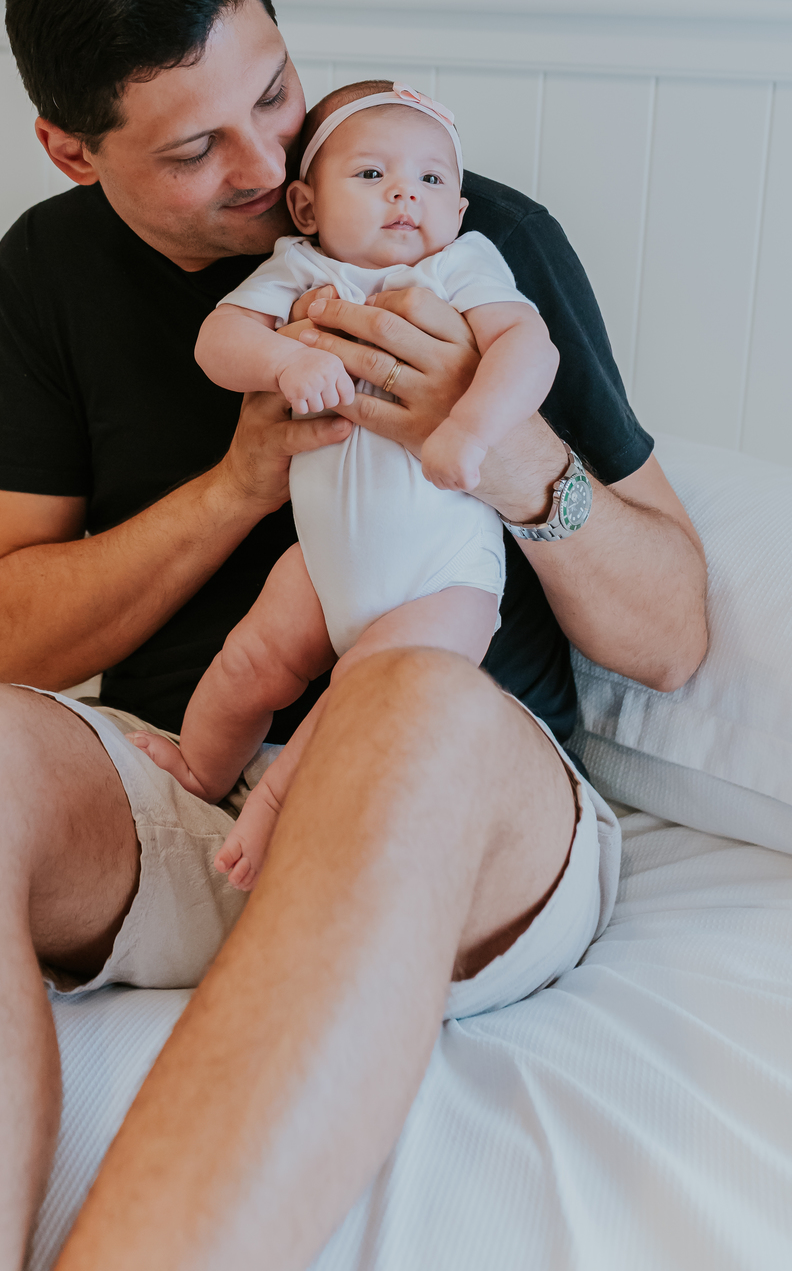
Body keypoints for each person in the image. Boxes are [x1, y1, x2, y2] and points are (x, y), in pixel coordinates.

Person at [0, 0, 708, 1271]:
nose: (273, 162)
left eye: (275, 91)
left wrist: (506, 455)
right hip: (183, 793)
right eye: (197, 146)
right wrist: (236, 483)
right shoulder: (52, 271)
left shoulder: (460, 226)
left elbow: (677, 630)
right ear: (69, 152)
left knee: (401, 710)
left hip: (463, 813)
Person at [135, 79, 560, 888]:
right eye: (371, 175)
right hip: (325, 563)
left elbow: (531, 349)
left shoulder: (460, 267)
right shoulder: (298, 269)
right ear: (305, 206)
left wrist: (470, 428)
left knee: (364, 695)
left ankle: (268, 813)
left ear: (459, 209)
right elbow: (218, 341)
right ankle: (199, 771)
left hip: (445, 582)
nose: (406, 192)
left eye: (432, 179)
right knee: (246, 663)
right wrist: (286, 359)